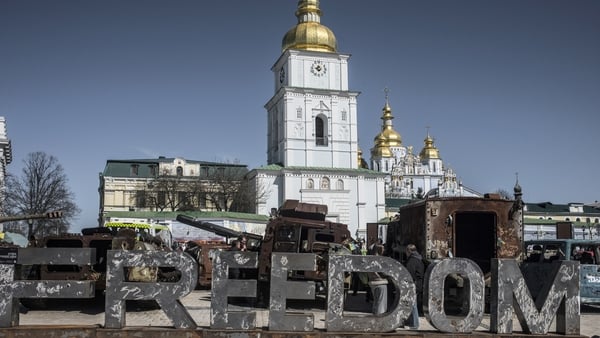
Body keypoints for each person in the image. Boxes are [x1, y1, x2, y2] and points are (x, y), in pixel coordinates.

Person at [405, 244, 424, 329]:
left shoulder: (412, 260)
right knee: (413, 303)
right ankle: (412, 322)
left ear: (409, 251)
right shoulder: (419, 258)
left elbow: (409, 273)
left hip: (413, 284)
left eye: (406, 251)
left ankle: (415, 324)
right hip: (418, 283)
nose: (406, 253)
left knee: (412, 304)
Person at [367, 244, 388, 314]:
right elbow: (383, 272)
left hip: (373, 282)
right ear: (379, 250)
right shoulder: (379, 260)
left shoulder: (370, 259)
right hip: (380, 282)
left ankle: (375, 315)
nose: (384, 250)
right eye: (383, 249)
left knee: (376, 301)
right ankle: (379, 318)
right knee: (381, 304)